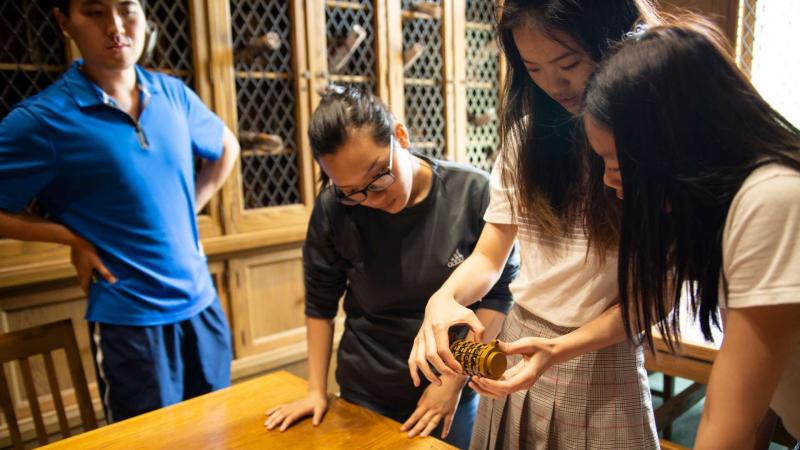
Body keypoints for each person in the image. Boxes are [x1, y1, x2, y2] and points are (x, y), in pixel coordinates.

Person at [407, 1, 663, 448]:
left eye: (568, 63)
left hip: (601, 354)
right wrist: (442, 298)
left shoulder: (650, 146)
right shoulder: (525, 138)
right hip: (519, 343)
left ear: (617, 43)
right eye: (534, 69)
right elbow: (490, 254)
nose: (554, 84)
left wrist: (560, 350)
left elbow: (652, 300)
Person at [0, 0, 239, 422]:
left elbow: (226, 148)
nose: (116, 26)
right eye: (94, 12)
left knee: (220, 434)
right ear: (64, 23)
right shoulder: (42, 120)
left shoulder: (173, 94)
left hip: (202, 308)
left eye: (127, 9)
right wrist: (70, 237)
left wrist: (188, 214)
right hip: (131, 322)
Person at [583, 18, 800, 449]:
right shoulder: (726, 205)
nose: (608, 181)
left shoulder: (773, 199)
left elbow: (729, 416)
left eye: (614, 161)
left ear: (674, 143)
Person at [263, 86, 519, 449]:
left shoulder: (472, 192)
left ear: (401, 136)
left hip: (448, 384)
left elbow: (498, 294)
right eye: (352, 191)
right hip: (365, 388)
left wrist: (451, 385)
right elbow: (320, 302)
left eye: (379, 177)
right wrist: (316, 390)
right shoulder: (335, 208)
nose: (373, 199)